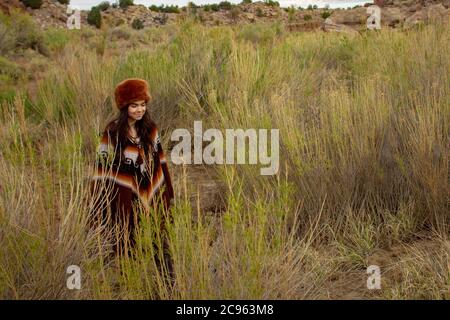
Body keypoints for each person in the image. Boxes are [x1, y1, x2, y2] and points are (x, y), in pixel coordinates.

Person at [89, 78, 174, 274]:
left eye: (143, 104)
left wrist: (167, 192)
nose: (139, 110)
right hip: (125, 197)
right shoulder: (112, 133)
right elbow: (102, 169)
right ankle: (132, 284)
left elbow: (161, 163)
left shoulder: (150, 128)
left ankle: (169, 287)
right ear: (124, 106)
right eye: (134, 105)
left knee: (161, 243)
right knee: (127, 242)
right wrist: (101, 203)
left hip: (152, 196)